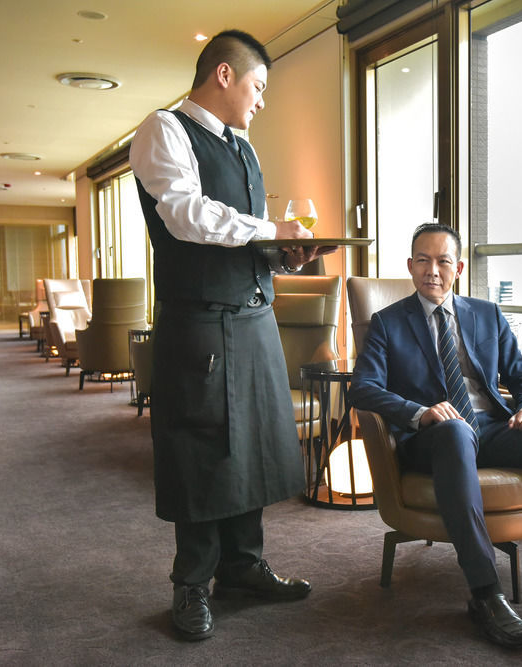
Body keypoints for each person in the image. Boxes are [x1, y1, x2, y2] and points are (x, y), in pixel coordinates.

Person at [130, 29, 335, 641]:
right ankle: (191, 581)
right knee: (203, 454)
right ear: (224, 75)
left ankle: (243, 567)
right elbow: (186, 215)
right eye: (258, 86)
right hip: (201, 326)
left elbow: (244, 242)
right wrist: (270, 226)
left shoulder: (243, 148)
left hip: (252, 319)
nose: (261, 100)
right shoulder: (164, 130)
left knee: (252, 451)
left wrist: (286, 255)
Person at [348, 222, 522, 649]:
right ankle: (485, 593)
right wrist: (420, 412)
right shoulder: (387, 323)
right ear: (410, 265)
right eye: (422, 260)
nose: (432, 270)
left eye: (443, 261)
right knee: (455, 432)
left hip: (494, 427)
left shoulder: (487, 314)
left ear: (458, 267)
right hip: (434, 438)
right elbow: (363, 387)